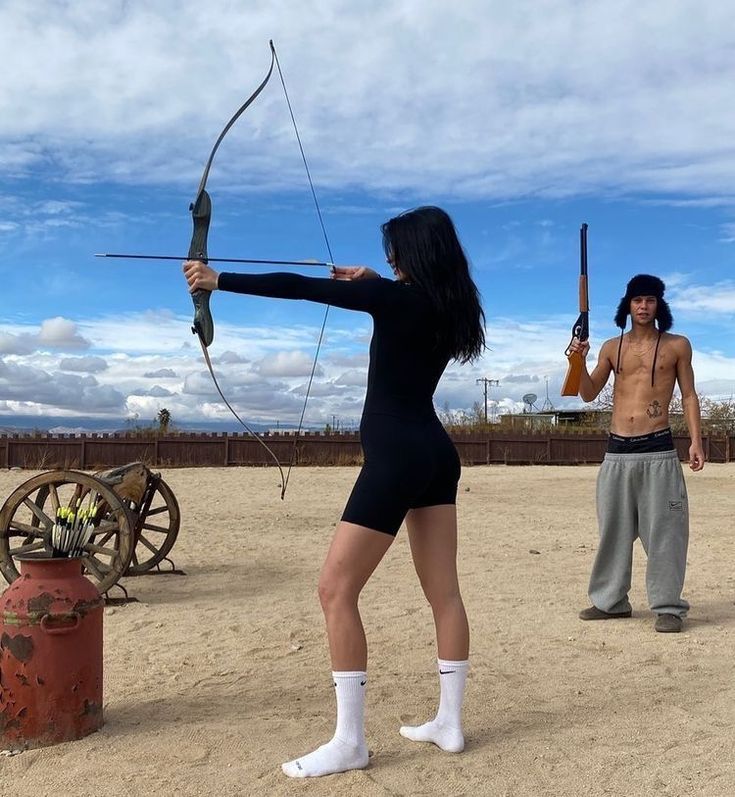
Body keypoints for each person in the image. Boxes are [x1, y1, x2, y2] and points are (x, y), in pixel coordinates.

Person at [183, 206, 485, 777]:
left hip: (396, 455)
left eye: (396, 251)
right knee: (444, 594)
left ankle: (350, 742)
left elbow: (299, 287)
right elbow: (398, 304)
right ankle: (450, 723)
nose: (389, 258)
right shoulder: (450, 307)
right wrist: (376, 284)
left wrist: (217, 280)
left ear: (413, 255)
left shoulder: (395, 300)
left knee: (334, 590)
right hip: (435, 453)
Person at [570, 274, 704, 634]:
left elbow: (689, 395)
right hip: (617, 451)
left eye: (650, 300)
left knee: (665, 532)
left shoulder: (677, 345)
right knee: (613, 530)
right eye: (637, 300)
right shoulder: (612, 348)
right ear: (626, 306)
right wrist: (577, 361)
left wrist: (696, 440)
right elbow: (587, 393)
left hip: (658, 448)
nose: (643, 307)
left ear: (659, 305)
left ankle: (668, 607)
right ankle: (610, 602)